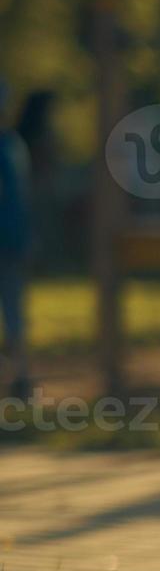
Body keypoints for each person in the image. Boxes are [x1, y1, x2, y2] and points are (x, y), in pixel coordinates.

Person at [0, 84, 32, 401]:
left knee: (12, 311)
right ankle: (20, 376)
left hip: (7, 239)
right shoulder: (14, 144)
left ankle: (19, 377)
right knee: (14, 311)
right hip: (16, 238)